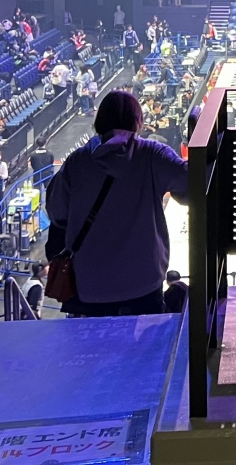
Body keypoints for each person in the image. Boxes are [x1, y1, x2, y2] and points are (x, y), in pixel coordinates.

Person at [44, 92, 189, 317]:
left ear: (99, 121)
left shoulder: (76, 162)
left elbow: (56, 211)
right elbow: (191, 183)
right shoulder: (152, 155)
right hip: (144, 282)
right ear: (138, 121)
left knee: (95, 338)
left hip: (90, 285)